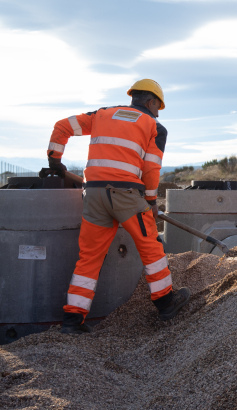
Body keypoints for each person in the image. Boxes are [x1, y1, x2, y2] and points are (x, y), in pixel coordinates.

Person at [46, 79, 191, 334]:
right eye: (159, 106)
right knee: (151, 247)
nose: (158, 112)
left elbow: (62, 126)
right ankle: (166, 302)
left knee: (89, 257)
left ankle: (72, 319)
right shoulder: (155, 126)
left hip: (93, 195)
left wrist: (55, 161)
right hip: (127, 197)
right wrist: (151, 201)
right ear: (152, 101)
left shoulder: (102, 115)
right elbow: (151, 169)